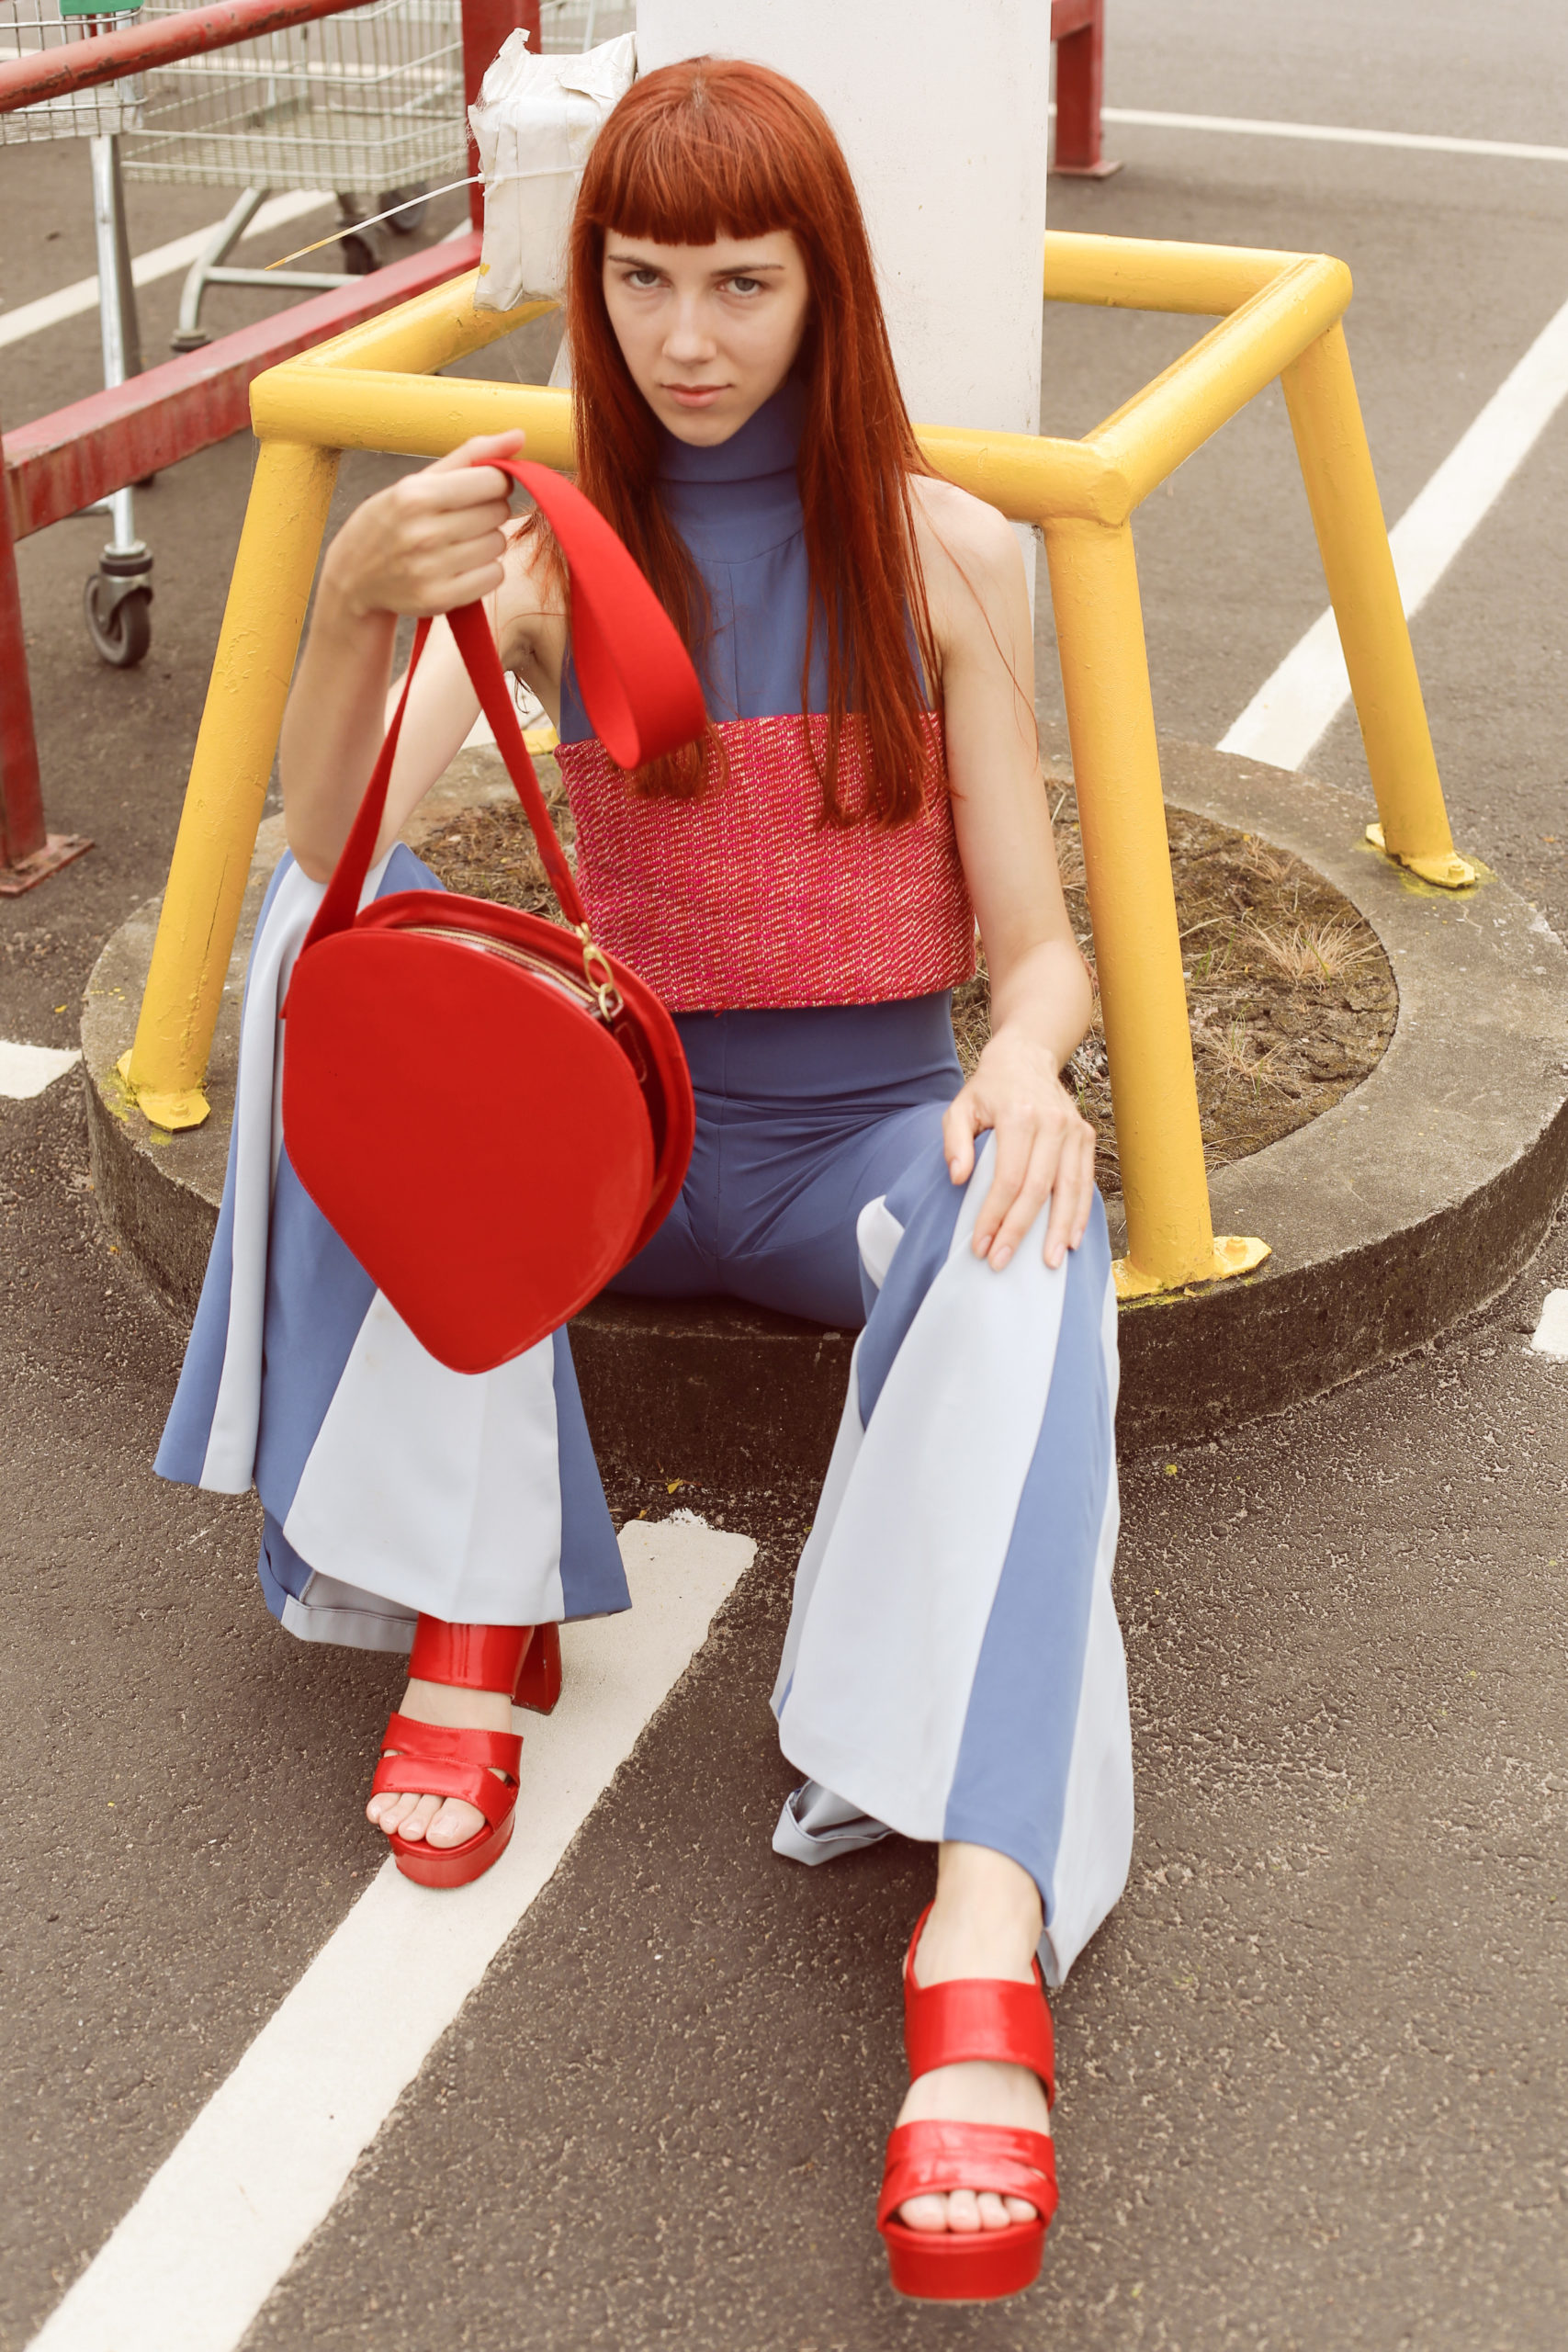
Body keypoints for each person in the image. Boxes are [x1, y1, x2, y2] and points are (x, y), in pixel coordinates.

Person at [157, 56, 1133, 2304]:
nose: (688, 335)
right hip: (626, 1136)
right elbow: (329, 844)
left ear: (821, 289)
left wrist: (1025, 1056)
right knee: (328, 944)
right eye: (640, 278)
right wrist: (349, 607)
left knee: (1030, 1231)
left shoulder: (941, 551)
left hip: (864, 1146)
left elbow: (1041, 940)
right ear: (586, 284)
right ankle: (473, 1595)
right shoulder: (549, 539)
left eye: (740, 282)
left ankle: (977, 1911)